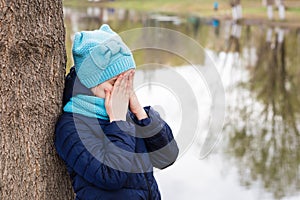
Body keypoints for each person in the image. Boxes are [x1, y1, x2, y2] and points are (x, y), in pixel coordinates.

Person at [55, 24, 179, 200]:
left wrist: (140, 113)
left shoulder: (127, 112)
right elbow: (110, 176)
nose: (123, 90)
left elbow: (167, 157)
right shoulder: (71, 127)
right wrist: (119, 122)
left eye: (128, 81)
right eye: (115, 83)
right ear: (91, 83)